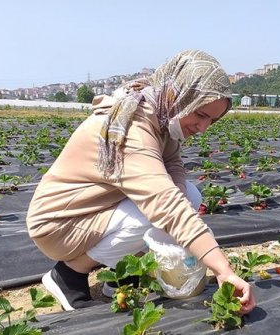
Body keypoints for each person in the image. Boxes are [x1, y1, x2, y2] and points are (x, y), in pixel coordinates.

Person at [26, 50, 256, 314]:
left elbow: (173, 163)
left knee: (187, 196)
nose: (203, 128)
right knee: (159, 212)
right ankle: (69, 275)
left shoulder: (160, 112)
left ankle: (122, 275)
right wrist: (222, 269)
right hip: (59, 224)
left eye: (212, 120)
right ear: (178, 94)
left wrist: (176, 193)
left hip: (95, 208)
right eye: (201, 114)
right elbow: (166, 205)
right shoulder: (131, 128)